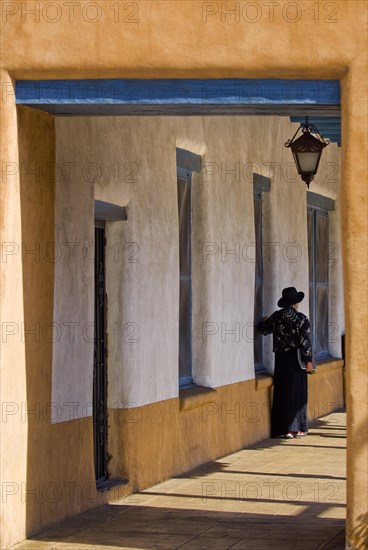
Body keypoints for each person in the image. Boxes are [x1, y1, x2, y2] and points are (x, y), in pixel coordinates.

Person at [257, 287, 313, 440]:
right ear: (295, 303)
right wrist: (309, 361)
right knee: (299, 392)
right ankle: (300, 428)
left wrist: (263, 320)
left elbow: (263, 330)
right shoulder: (302, 318)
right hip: (297, 358)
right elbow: (305, 342)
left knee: (283, 391)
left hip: (282, 359)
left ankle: (286, 429)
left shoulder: (277, 316)